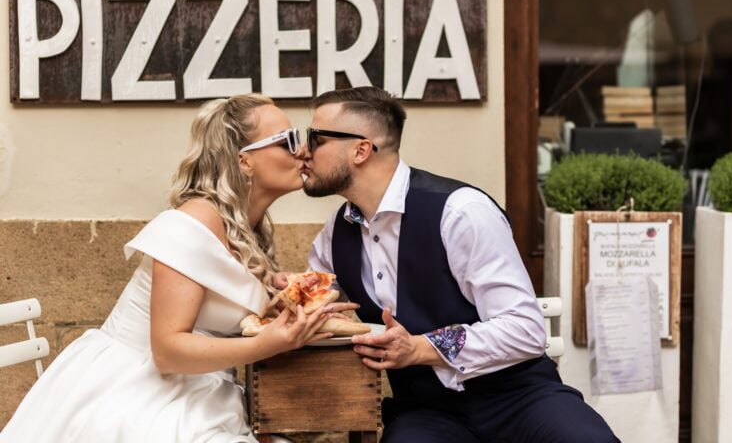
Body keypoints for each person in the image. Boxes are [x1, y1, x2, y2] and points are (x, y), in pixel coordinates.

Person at [0, 94, 354, 443]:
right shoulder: (193, 222)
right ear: (244, 161)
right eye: (288, 140)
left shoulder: (249, 229)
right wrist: (268, 344)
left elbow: (218, 311)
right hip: (136, 391)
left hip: (201, 392)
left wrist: (280, 303)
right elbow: (167, 352)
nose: (304, 150)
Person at [303, 86, 619, 442]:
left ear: (361, 149)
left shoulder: (460, 212)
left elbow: (526, 329)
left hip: (519, 398)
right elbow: (314, 304)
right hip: (425, 412)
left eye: (315, 139)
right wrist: (285, 294)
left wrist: (421, 347)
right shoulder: (336, 234)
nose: (303, 152)